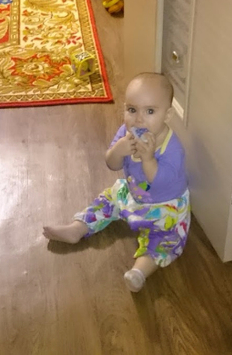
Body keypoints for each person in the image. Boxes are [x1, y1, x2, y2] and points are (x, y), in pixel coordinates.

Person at [43, 72, 190, 292]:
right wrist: (118, 151)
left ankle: (139, 271)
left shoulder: (173, 148)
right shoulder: (125, 133)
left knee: (166, 239)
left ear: (167, 115)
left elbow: (161, 183)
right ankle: (77, 228)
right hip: (132, 194)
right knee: (107, 199)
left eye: (150, 111)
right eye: (132, 110)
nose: (138, 119)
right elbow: (111, 164)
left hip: (166, 206)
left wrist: (148, 159)